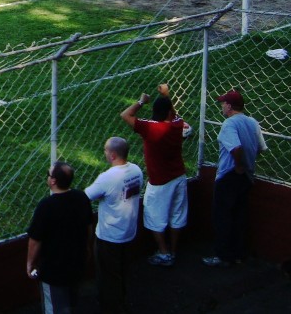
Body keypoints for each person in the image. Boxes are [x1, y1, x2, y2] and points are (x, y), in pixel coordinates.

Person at [121, 83, 191, 267]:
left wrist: (141, 101)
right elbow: (175, 116)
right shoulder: (178, 125)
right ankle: (174, 251)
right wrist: (166, 96)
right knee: (177, 214)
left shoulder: (150, 128)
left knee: (154, 216)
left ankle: (164, 252)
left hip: (159, 181)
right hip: (179, 177)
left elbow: (125, 115)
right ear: (169, 112)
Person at [203, 89, 265, 267]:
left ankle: (223, 256)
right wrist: (247, 163)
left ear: (229, 106)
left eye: (223, 103)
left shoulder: (229, 124)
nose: (222, 106)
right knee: (240, 216)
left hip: (230, 175)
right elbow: (260, 148)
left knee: (222, 216)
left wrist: (238, 165)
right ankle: (238, 254)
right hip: (247, 176)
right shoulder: (252, 122)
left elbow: (236, 148)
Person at [84, 137, 143, 314]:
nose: (104, 153)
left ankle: (113, 307)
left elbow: (85, 196)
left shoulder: (107, 178)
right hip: (129, 232)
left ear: (112, 154)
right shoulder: (136, 170)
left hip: (109, 236)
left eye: (105, 150)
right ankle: (119, 300)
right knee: (122, 271)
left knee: (107, 277)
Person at [26, 161, 93, 314]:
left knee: (55, 307)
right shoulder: (81, 197)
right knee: (71, 299)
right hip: (77, 261)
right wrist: (87, 247)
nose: (47, 177)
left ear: (53, 181)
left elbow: (35, 240)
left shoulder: (46, 206)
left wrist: (30, 263)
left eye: (48, 174)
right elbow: (89, 225)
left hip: (53, 270)